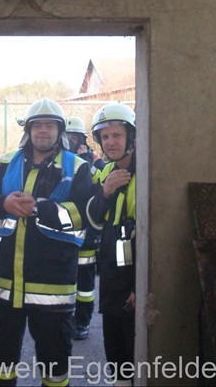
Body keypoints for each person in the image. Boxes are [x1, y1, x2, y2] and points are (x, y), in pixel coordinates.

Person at [0, 97, 95, 386]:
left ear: (60, 131)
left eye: (50, 126)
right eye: (37, 125)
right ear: (28, 130)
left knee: (55, 371)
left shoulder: (78, 168)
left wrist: (40, 209)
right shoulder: (7, 162)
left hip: (53, 289)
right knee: (0, 368)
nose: (43, 130)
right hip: (6, 286)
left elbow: (85, 215)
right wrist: (3, 203)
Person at [86, 102, 137, 387]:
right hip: (110, 276)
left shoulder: (148, 171)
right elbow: (92, 220)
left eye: (117, 135)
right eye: (105, 137)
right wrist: (105, 192)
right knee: (115, 352)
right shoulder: (103, 172)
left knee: (136, 352)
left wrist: (140, 286)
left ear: (131, 136)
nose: (110, 142)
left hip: (133, 277)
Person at [65, 116, 105, 340]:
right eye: (67, 137)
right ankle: (64, 318)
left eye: (74, 137)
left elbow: (102, 183)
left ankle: (82, 321)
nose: (70, 141)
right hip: (65, 232)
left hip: (87, 233)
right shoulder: (60, 161)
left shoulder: (92, 161)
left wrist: (87, 162)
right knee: (64, 280)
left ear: (82, 139)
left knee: (85, 285)